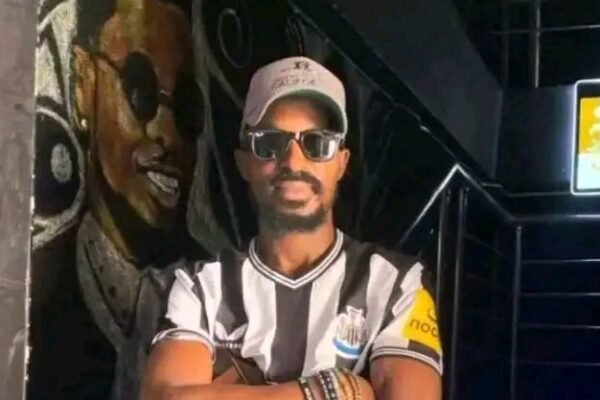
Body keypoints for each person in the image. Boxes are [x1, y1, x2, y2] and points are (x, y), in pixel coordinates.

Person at [141, 56, 443, 400]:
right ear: (244, 162)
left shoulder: (397, 285)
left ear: (341, 163)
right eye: (270, 143)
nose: (293, 161)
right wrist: (323, 392)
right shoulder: (201, 287)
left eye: (318, 143)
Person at [71, 0, 203, 398]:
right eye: (140, 90)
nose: (169, 135)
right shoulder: (32, 301)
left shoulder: (223, 296)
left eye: (186, 107)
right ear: (84, 84)